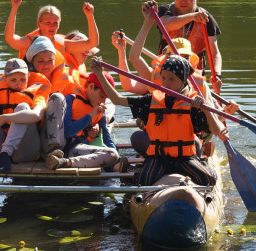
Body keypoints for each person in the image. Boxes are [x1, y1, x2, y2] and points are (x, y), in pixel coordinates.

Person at [90, 55, 225, 187]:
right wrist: (99, 74)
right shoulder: (152, 100)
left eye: (171, 79)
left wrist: (205, 108)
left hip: (183, 158)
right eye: (163, 78)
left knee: (210, 179)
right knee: (144, 181)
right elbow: (117, 99)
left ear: (183, 81)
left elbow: (217, 130)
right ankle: (134, 175)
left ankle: (201, 164)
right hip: (159, 157)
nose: (165, 84)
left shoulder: (192, 104)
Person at [151, 0, 223, 93]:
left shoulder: (206, 18)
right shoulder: (165, 11)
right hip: (165, 77)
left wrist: (217, 75)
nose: (183, 1)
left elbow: (214, 53)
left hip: (194, 77)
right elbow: (166, 25)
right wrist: (193, 17)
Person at [45, 70, 127, 172]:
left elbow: (107, 139)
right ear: (91, 86)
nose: (103, 101)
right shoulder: (70, 99)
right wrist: (89, 117)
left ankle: (64, 162)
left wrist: (117, 158)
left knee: (112, 154)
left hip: (74, 150)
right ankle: (54, 154)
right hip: (59, 145)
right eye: (102, 95)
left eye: (106, 98)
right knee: (56, 97)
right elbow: (67, 132)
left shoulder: (100, 111)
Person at [4, 0, 100, 63]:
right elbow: (10, 38)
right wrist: (14, 9)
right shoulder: (29, 42)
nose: (52, 26)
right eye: (48, 23)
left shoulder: (63, 43)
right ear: (39, 24)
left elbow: (93, 43)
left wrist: (90, 15)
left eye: (55, 23)